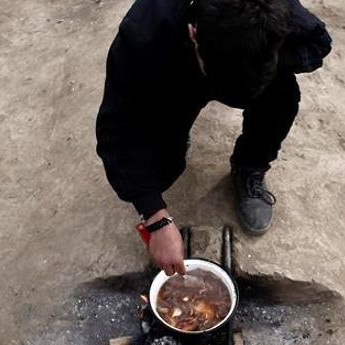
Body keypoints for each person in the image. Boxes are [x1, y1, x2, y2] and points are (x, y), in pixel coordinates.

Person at [96, 0, 331, 275]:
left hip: (240, 57)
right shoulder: (144, 33)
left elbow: (319, 44)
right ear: (193, 32)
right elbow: (117, 131)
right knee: (158, 171)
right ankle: (176, 131)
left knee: (282, 95)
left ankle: (249, 167)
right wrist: (155, 216)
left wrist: (266, 57)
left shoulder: (272, 10)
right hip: (176, 64)